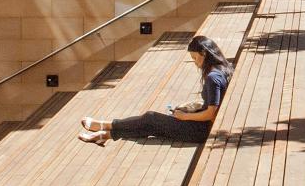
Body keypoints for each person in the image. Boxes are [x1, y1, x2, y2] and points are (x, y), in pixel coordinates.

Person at [77, 34, 231, 145]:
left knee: (150, 118)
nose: (195, 63)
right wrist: (192, 108)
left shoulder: (212, 77)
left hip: (199, 131)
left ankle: (105, 126)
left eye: (195, 58)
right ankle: (106, 134)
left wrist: (184, 116)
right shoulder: (223, 68)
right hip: (202, 127)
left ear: (204, 53)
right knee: (150, 125)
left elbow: (211, 113)